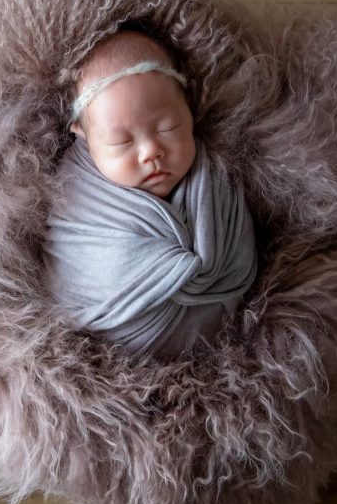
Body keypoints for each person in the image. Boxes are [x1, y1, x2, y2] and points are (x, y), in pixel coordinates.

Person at [42, 26, 259, 359]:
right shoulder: (73, 194)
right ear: (82, 135)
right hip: (115, 355)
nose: (150, 152)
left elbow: (242, 255)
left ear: (190, 110)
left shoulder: (215, 173)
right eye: (121, 142)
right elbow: (71, 277)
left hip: (223, 350)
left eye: (168, 128)